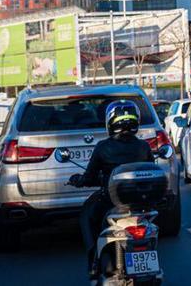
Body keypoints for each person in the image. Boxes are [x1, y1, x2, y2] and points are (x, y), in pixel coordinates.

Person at [69, 100, 153, 274]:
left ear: (110, 122)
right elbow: (151, 172)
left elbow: (89, 177)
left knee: (87, 217)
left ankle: (93, 261)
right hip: (140, 203)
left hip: (110, 200)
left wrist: (78, 180)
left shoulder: (103, 147)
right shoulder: (144, 146)